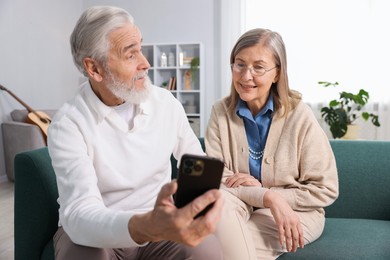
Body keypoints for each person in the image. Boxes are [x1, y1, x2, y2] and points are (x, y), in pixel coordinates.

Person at [47, 6, 223, 260]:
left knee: (208, 251)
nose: (146, 63)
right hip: (98, 234)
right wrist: (144, 225)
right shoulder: (68, 123)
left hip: (160, 228)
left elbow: (198, 165)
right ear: (94, 69)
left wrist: (197, 206)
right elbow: (80, 213)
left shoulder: (166, 104)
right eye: (131, 55)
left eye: (140, 48)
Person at [205, 28, 339, 259]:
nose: (246, 76)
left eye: (258, 67)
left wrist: (270, 194)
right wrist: (264, 196)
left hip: (296, 212)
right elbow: (216, 176)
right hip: (237, 203)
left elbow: (325, 188)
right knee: (216, 210)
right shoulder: (220, 111)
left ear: (277, 73)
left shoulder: (299, 115)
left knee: (221, 249)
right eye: (240, 64)